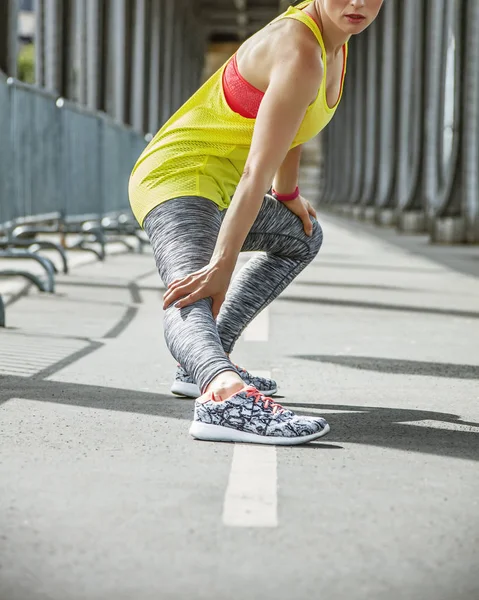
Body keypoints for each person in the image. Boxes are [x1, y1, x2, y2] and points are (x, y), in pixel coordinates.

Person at [129, 0, 383, 445]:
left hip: (223, 190)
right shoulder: (299, 47)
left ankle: (203, 360)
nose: (358, 3)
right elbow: (254, 173)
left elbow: (292, 128)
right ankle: (220, 393)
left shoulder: (335, 43)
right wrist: (223, 263)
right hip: (179, 176)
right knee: (196, 287)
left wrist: (288, 197)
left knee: (302, 237)